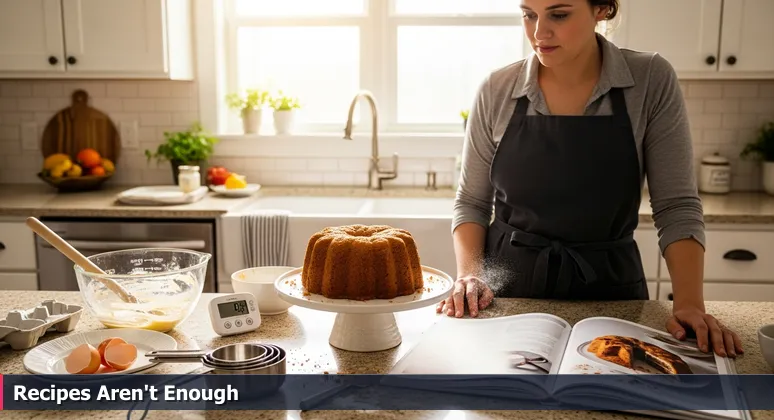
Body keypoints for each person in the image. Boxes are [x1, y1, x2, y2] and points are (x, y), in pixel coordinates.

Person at [437, 0, 744, 358]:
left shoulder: (649, 79)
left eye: (559, 14)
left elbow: (676, 206)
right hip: (507, 296)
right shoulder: (497, 89)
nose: (539, 32)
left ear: (601, 9)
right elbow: (472, 202)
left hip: (612, 292)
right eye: (529, 14)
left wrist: (689, 303)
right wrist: (471, 275)